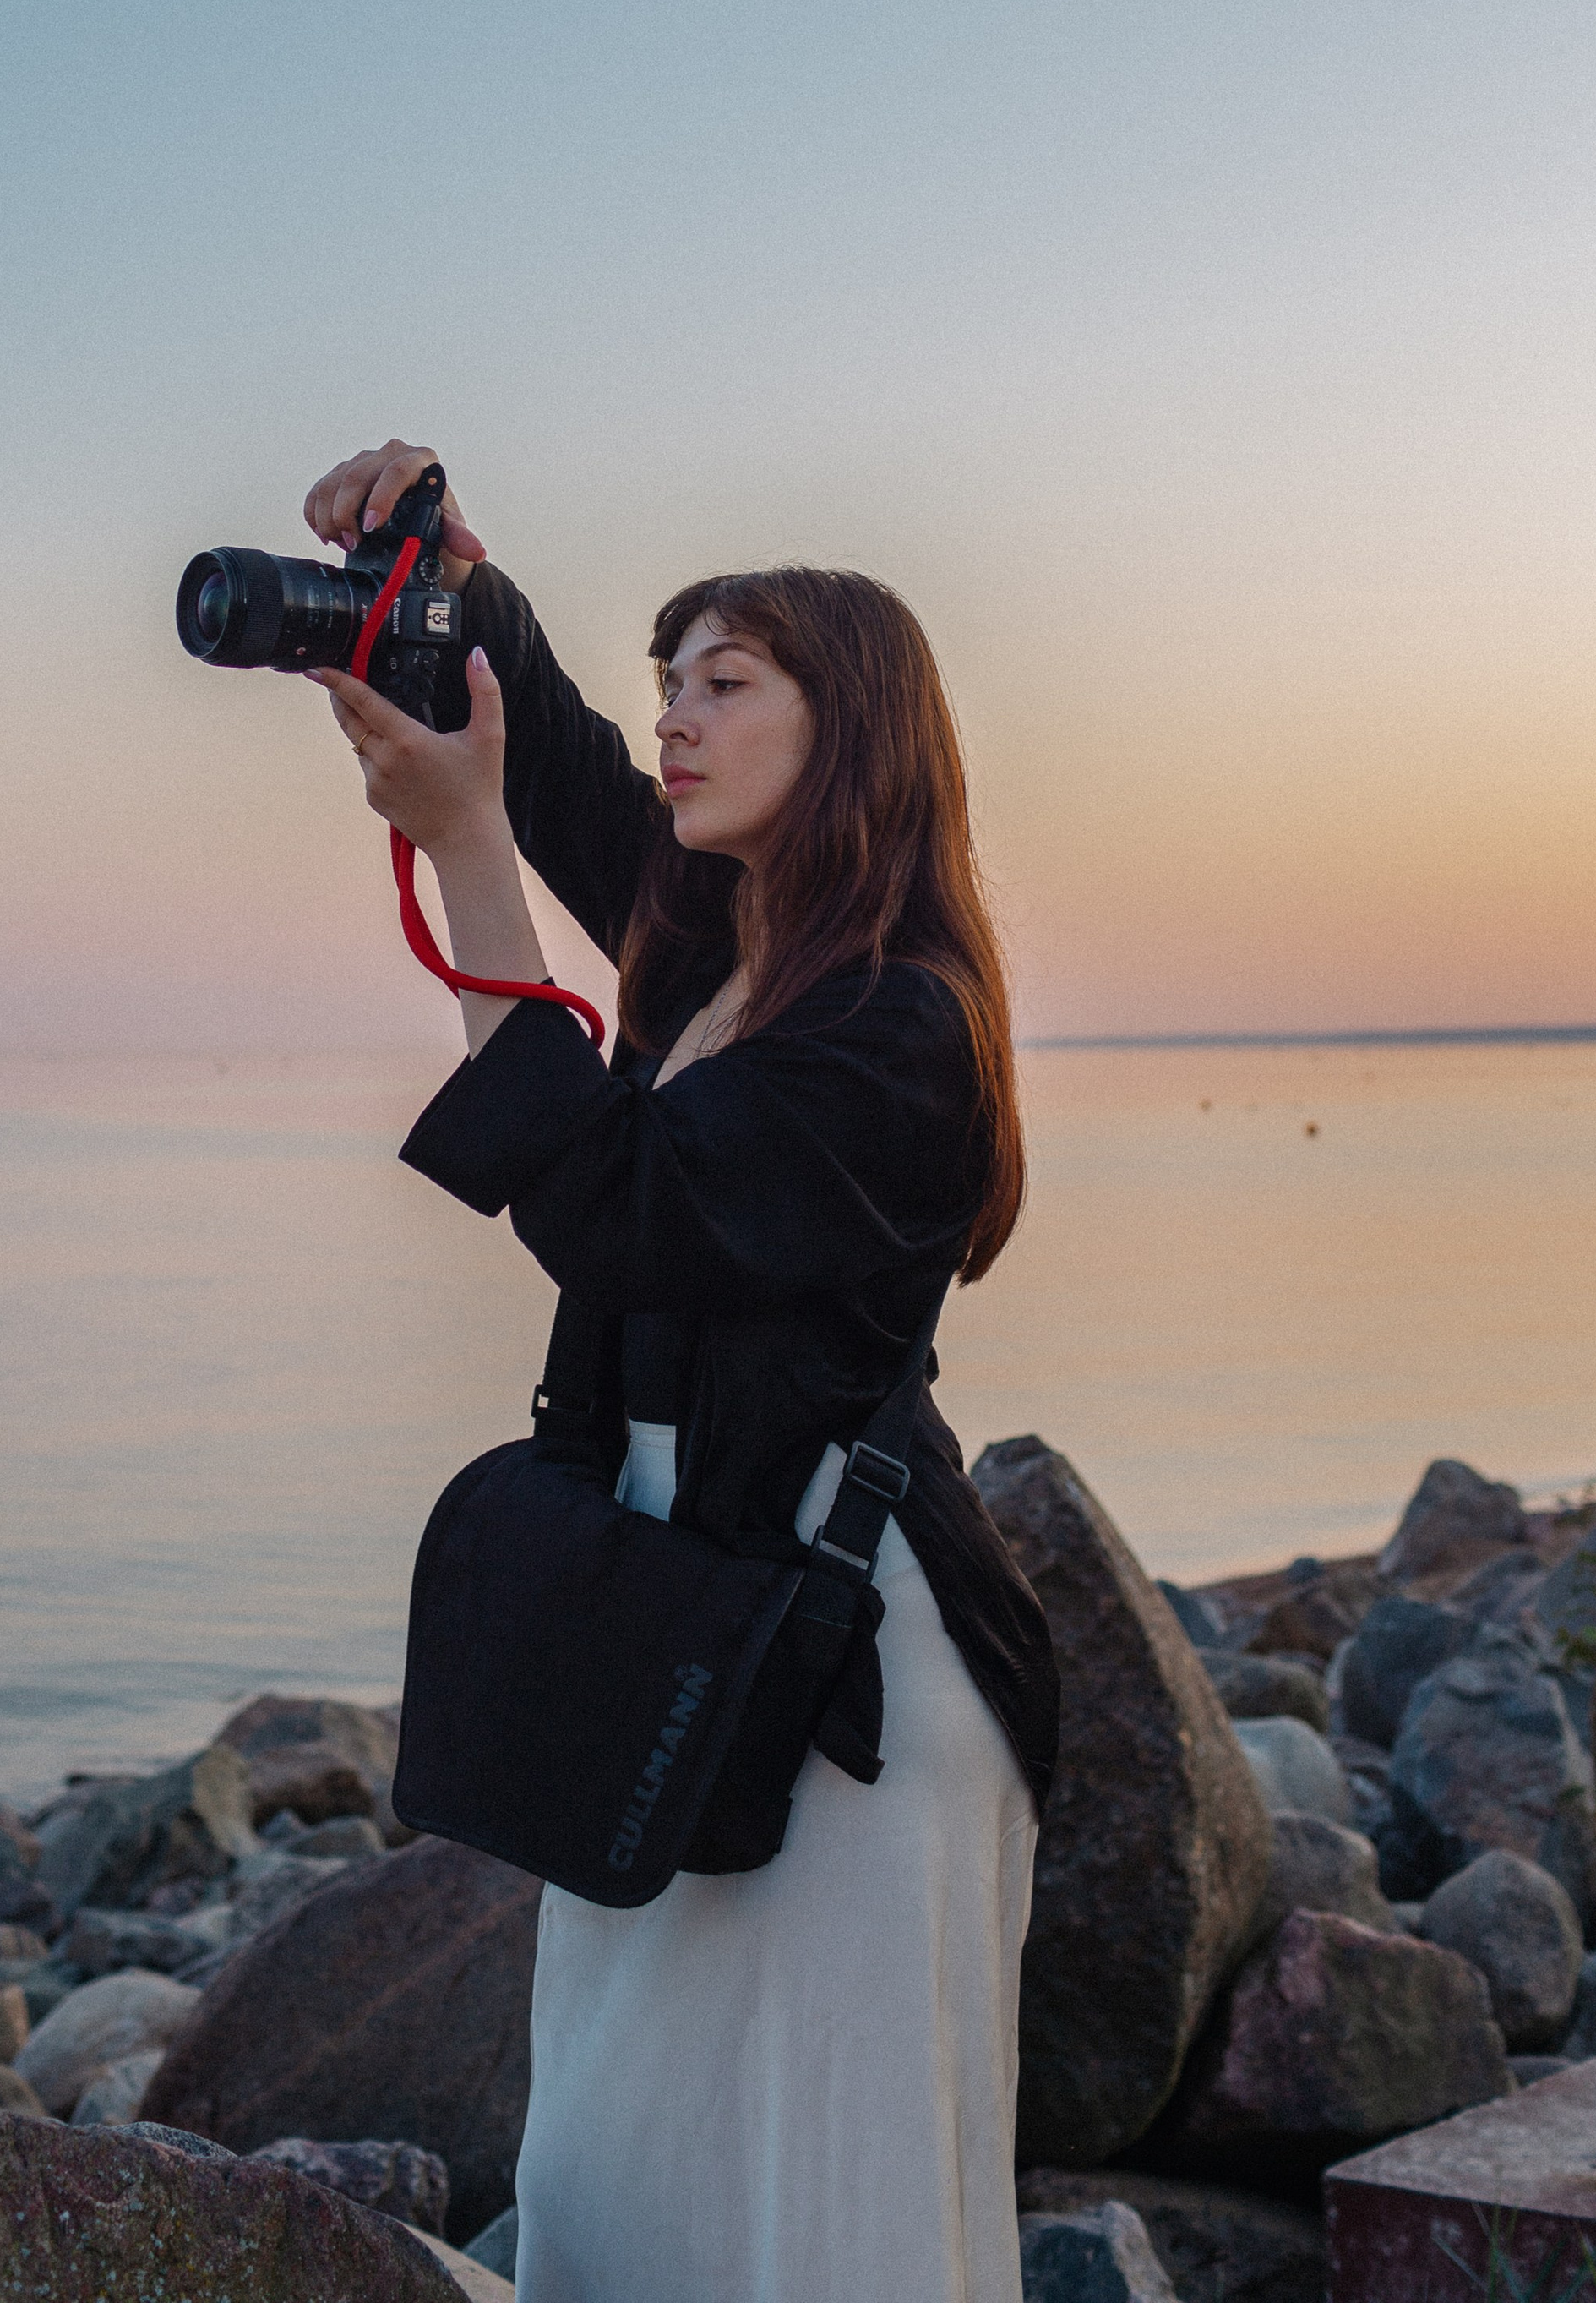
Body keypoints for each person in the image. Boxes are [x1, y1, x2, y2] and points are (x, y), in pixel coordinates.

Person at [302, 438, 1059, 2303]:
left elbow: (618, 1208)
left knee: (800, 2230)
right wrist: (446, 590)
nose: (675, 718)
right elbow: (546, 752)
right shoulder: (724, 946)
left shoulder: (893, 1029)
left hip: (836, 1696)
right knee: (621, 2197)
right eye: (672, 683)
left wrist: (463, 852)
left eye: (726, 684)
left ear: (854, 730)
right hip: (689, 1645)